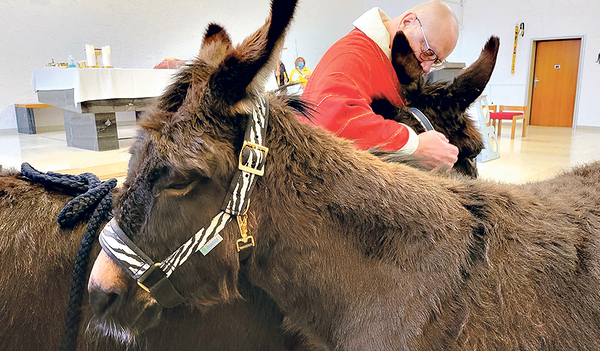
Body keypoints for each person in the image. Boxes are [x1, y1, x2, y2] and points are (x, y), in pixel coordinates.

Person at [302, 1, 460, 170]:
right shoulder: (353, 54)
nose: (427, 68)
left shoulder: (384, 59)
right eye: (428, 52)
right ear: (407, 22)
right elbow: (331, 120)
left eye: (435, 61)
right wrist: (416, 146)